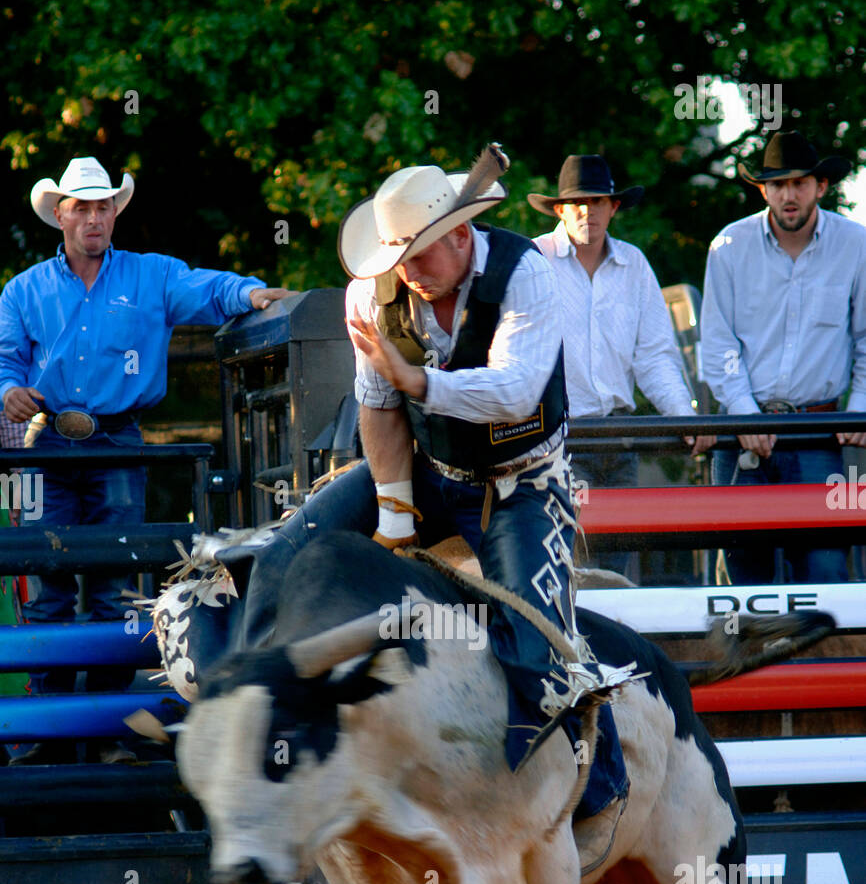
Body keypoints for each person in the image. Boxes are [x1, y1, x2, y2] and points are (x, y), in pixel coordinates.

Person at [239, 146, 628, 818]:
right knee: (282, 555)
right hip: (427, 469)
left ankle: (596, 794)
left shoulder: (526, 273)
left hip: (520, 482)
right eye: (397, 257)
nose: (407, 271)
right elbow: (378, 407)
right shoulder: (375, 287)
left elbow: (514, 392)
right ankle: (251, 722)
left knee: (536, 653)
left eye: (419, 255)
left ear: (458, 236)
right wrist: (392, 505)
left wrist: (415, 379)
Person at [0, 157, 288, 762]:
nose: (94, 217)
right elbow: (4, 362)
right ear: (61, 215)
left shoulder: (150, 275)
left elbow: (208, 289)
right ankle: (46, 734)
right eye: (82, 207)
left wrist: (250, 291)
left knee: (112, 585)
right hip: (45, 443)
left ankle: (104, 732)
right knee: (44, 581)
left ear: (113, 214)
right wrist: (8, 391)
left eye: (104, 206)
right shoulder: (22, 291)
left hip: (118, 441)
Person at [700, 130, 866, 585]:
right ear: (763, 189)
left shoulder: (856, 244)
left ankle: (825, 661)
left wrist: (858, 411)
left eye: (799, 183)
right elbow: (717, 345)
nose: (788, 195)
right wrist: (745, 416)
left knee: (827, 569)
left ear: (821, 187)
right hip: (742, 432)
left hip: (818, 432)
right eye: (777, 184)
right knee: (742, 579)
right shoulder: (728, 246)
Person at [528, 154, 696, 577]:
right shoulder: (533, 260)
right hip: (558, 439)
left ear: (614, 207)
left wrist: (684, 415)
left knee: (616, 570)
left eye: (598, 201)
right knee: (570, 565)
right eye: (578, 203)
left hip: (621, 438)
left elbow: (655, 356)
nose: (588, 211)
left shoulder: (634, 264)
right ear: (560, 209)